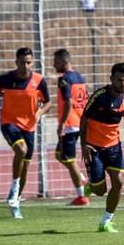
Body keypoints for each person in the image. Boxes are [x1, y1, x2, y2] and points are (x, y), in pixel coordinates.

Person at [80, 62, 124, 233]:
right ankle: (91, 185)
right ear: (111, 79)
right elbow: (84, 118)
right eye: (119, 80)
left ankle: (106, 221)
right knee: (100, 191)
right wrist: (83, 145)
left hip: (113, 147)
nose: (123, 84)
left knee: (118, 182)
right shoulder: (100, 96)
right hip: (94, 147)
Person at [0, 47, 51, 219]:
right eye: (22, 62)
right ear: (16, 62)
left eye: (29, 62)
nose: (26, 65)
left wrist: (40, 112)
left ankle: (15, 202)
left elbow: (48, 102)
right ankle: (14, 187)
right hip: (10, 124)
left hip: (29, 127)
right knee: (20, 150)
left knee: (26, 167)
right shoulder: (6, 79)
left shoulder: (38, 80)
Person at [53, 48, 89, 206]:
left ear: (64, 61)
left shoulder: (64, 79)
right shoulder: (80, 77)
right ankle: (82, 179)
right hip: (79, 121)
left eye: (56, 61)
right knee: (59, 155)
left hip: (70, 124)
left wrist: (61, 124)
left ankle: (81, 196)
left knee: (69, 159)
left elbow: (69, 102)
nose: (54, 65)